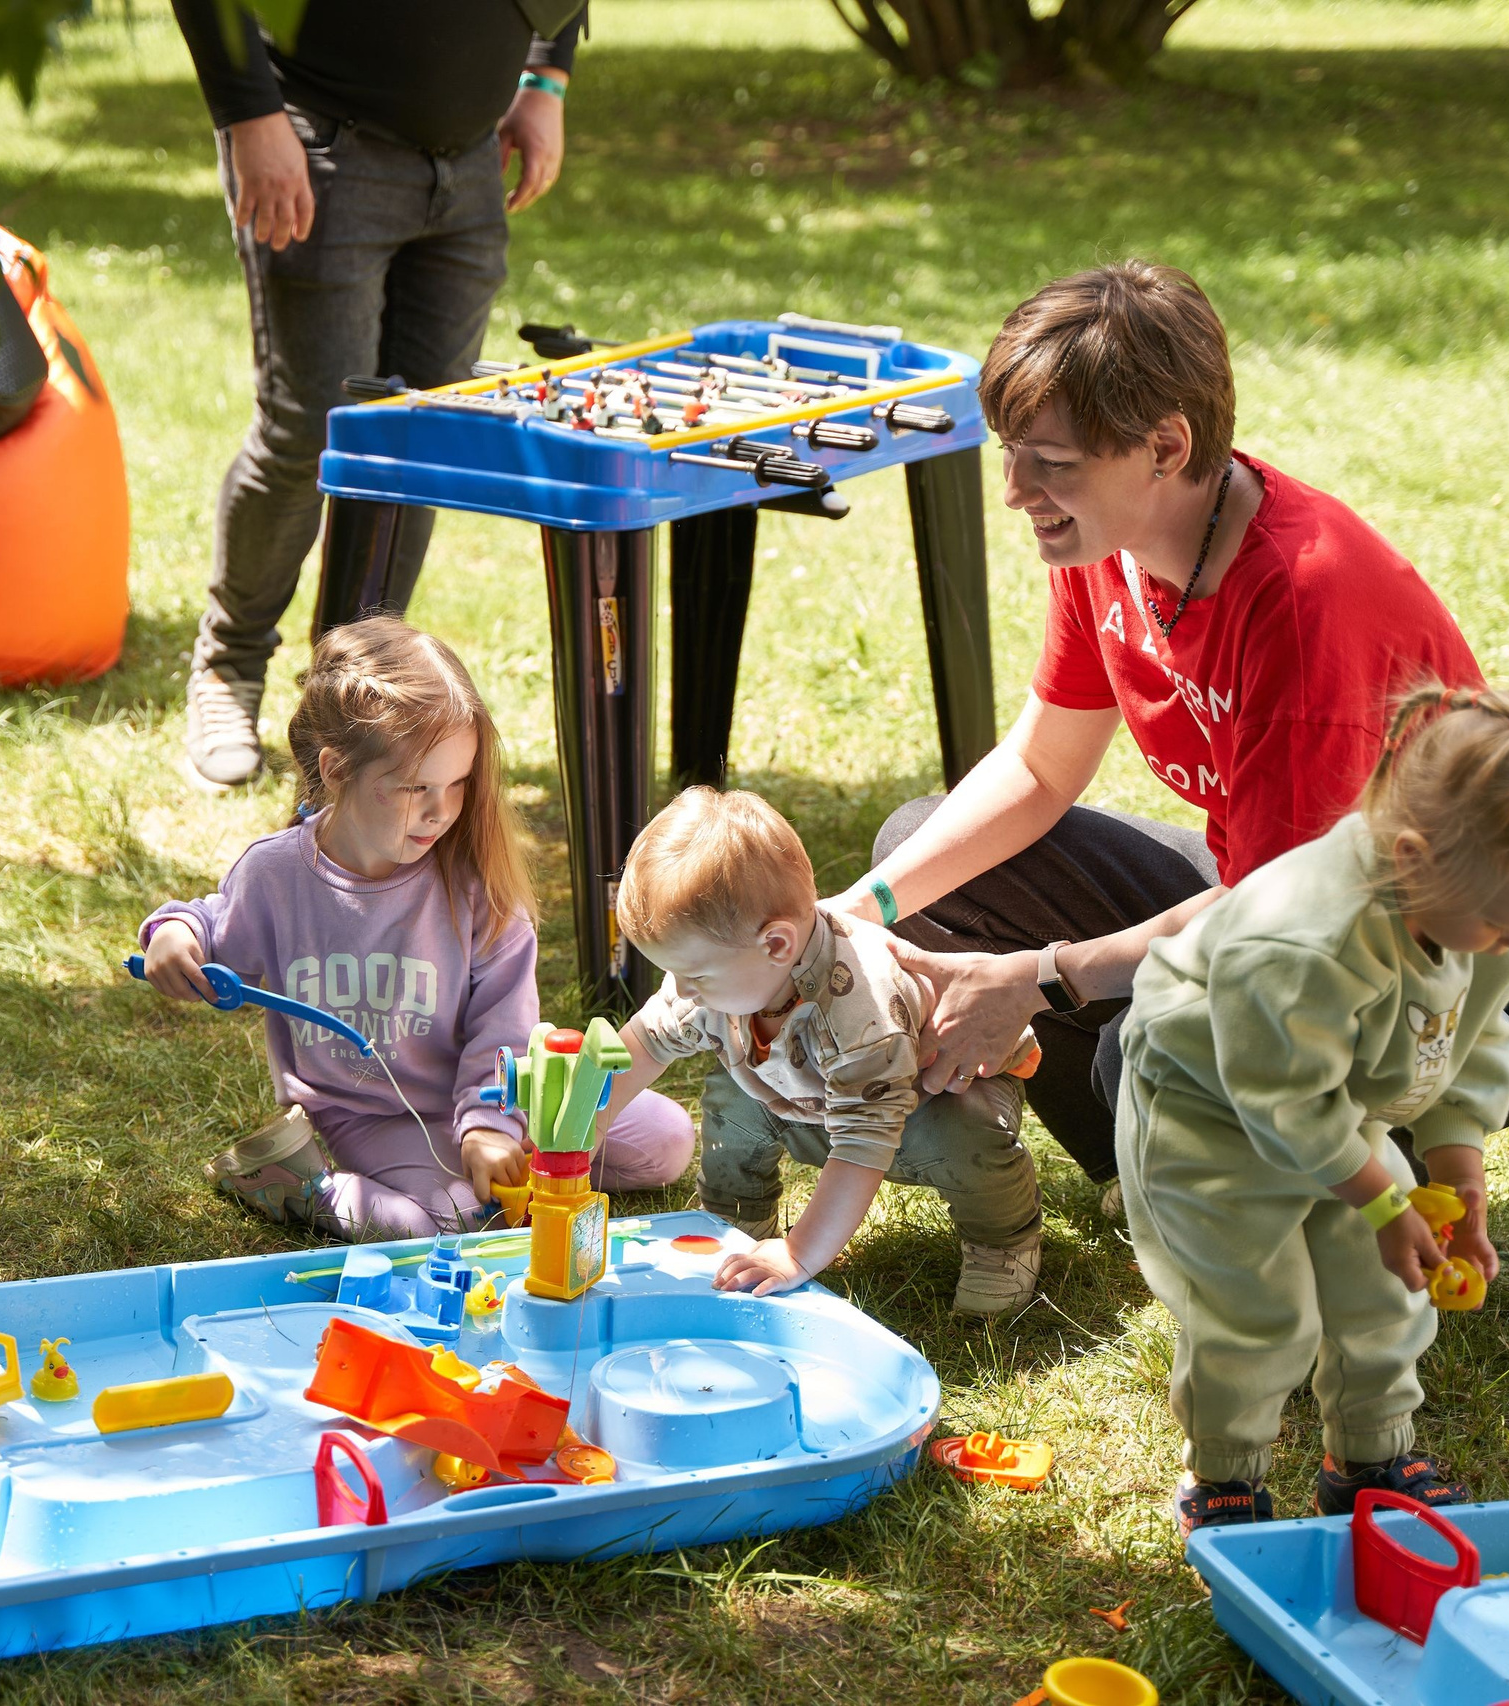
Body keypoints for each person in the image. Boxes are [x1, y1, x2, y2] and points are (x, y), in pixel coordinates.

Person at [827, 263, 1509, 1209]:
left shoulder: (1308, 606)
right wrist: (857, 910)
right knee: (916, 856)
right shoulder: (1106, 538)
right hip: (1273, 888)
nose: (1016, 490)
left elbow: (1281, 917)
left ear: (1164, 447)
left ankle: (1298, 1173)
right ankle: (1159, 1167)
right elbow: (1038, 766)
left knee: (1146, 1036)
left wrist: (1039, 978)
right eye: (1011, 452)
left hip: (1432, 962)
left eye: (1051, 462)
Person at [1120, 685, 1509, 1532]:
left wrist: (1458, 1168)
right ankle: (1226, 1474)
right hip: (1215, 1116)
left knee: (1387, 1290)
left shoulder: (1483, 916)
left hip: (1335, 1110)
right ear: (1417, 856)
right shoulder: (1304, 938)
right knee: (1254, 1306)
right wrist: (1384, 1200)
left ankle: (1371, 1455)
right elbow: (1280, 1099)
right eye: (1503, 927)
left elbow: (1473, 1031)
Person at [137, 616, 692, 1238]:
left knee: (666, 1142)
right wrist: (173, 936)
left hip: (487, 1093)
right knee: (447, 1221)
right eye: (414, 788)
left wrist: (489, 1126)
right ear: (339, 770)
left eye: (458, 784)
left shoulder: (472, 880)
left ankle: (497, 1163)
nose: (441, 811)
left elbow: (503, 1026)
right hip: (370, 1116)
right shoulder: (277, 876)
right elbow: (213, 930)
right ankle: (300, 1186)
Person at [170, 0, 583, 789]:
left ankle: (354, 701)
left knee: (417, 444)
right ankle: (228, 667)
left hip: (470, 160)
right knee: (309, 434)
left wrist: (547, 76)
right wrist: (251, 114)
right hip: (317, 141)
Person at [597, 788, 1047, 1315]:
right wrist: (587, 1129)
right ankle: (733, 1221)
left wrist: (797, 1255)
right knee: (731, 1095)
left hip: (929, 1093)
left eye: (693, 974)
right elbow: (644, 1044)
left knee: (964, 1132)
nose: (681, 989)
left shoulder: (861, 1018)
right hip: (813, 1096)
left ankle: (1003, 1239)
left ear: (777, 946)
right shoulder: (727, 976)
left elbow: (865, 1143)